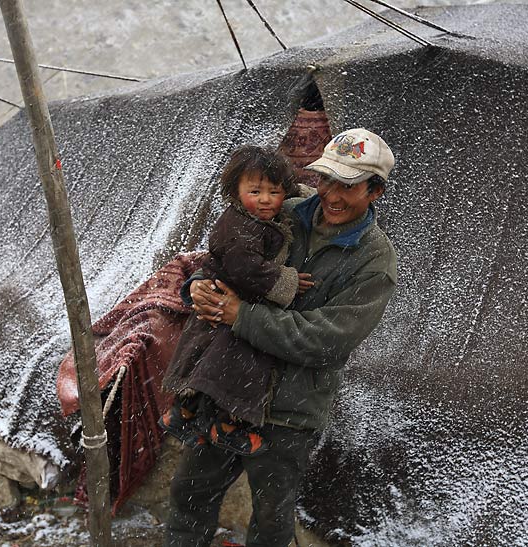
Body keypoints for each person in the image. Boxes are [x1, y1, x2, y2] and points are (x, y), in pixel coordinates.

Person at [164, 128, 398, 547]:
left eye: (348, 186)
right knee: (191, 494)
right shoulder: (281, 211)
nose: (332, 195)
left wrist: (242, 316)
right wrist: (199, 284)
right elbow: (228, 258)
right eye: (327, 180)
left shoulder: (374, 262)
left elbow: (327, 340)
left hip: (289, 412)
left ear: (375, 191)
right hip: (229, 388)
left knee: (271, 522)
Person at [160, 145, 314, 457]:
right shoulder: (239, 226)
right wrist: (289, 281)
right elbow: (246, 270)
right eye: (255, 191)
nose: (266, 199)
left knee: (212, 364)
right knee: (235, 368)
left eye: (275, 191)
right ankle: (227, 427)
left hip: (237, 304)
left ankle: (187, 415)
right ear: (234, 191)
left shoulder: (266, 216)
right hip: (228, 300)